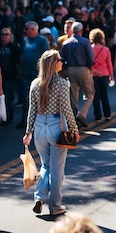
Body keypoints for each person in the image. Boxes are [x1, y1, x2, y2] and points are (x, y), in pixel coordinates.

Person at [22, 49, 78, 216]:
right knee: (57, 170)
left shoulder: (35, 84)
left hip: (39, 127)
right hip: (56, 127)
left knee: (45, 165)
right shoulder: (62, 83)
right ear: (54, 64)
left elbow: (31, 110)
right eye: (60, 59)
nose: (62, 62)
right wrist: (74, 129)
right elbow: (67, 109)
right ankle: (55, 206)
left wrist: (28, 132)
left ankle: (39, 197)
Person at [60, 22, 95, 128]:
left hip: (70, 69)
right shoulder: (85, 42)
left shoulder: (66, 43)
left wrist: (65, 70)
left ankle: (74, 117)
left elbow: (62, 58)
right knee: (90, 94)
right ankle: (81, 114)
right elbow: (91, 57)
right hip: (83, 68)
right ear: (81, 30)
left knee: (73, 95)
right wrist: (90, 69)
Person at [19, 21, 50, 129]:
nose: (25, 31)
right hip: (26, 73)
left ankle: (39, 120)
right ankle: (25, 119)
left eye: (27, 29)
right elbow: (22, 55)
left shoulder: (42, 41)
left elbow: (47, 57)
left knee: (39, 97)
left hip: (38, 75)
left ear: (33, 29)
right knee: (25, 97)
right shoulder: (25, 40)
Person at [0, 28, 21, 126]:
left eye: (6, 34)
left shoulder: (13, 47)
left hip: (10, 75)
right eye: (2, 34)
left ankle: (8, 116)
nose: (4, 36)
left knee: (8, 96)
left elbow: (19, 60)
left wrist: (18, 72)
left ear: (10, 36)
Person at [90, 28, 114, 123]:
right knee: (104, 95)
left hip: (93, 74)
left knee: (96, 95)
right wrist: (111, 75)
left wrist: (94, 70)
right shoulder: (106, 49)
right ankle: (107, 114)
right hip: (104, 74)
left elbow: (89, 63)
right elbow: (109, 64)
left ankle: (98, 116)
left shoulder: (90, 49)